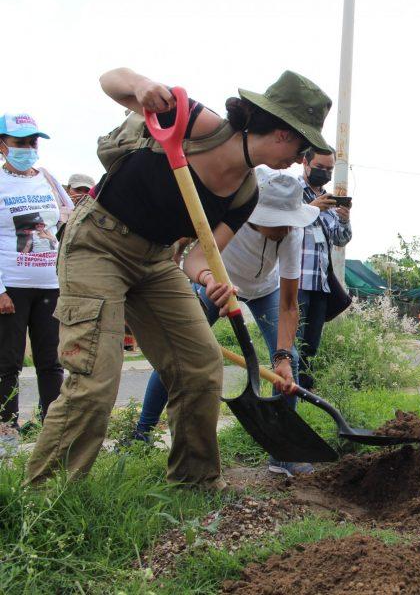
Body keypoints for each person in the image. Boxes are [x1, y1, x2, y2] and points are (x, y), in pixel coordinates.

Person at [25, 68, 332, 489]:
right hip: (98, 243)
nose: (300, 159)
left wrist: (208, 277)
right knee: (95, 377)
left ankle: (194, 484)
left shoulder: (246, 194)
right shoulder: (193, 121)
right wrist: (140, 87)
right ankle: (45, 501)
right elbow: (109, 79)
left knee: (201, 368)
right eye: (301, 146)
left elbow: (193, 255)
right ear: (282, 133)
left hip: (155, 262)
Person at [133, 167, 320, 477]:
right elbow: (193, 259)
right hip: (216, 285)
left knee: (291, 362)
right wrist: (209, 281)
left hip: (265, 290)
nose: (286, 230)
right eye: (279, 223)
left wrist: (283, 356)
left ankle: (282, 454)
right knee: (176, 356)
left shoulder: (291, 233)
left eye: (290, 223)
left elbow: (288, 304)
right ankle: (142, 432)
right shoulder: (231, 219)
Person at [0, 113, 70, 431]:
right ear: (2, 145)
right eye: (19, 142)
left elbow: (68, 219)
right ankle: (6, 438)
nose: (28, 147)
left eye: (32, 141)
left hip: (50, 285)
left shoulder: (48, 179)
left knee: (51, 363)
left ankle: (52, 433)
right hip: (11, 286)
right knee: (7, 364)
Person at [295, 148, 351, 389]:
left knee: (311, 344)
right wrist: (312, 207)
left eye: (329, 169)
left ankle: (305, 390)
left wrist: (344, 218)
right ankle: (287, 388)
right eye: (320, 167)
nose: (325, 173)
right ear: (305, 163)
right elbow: (282, 225)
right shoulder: (292, 191)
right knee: (291, 341)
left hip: (320, 282)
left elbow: (340, 239)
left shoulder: (328, 200)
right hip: (294, 281)